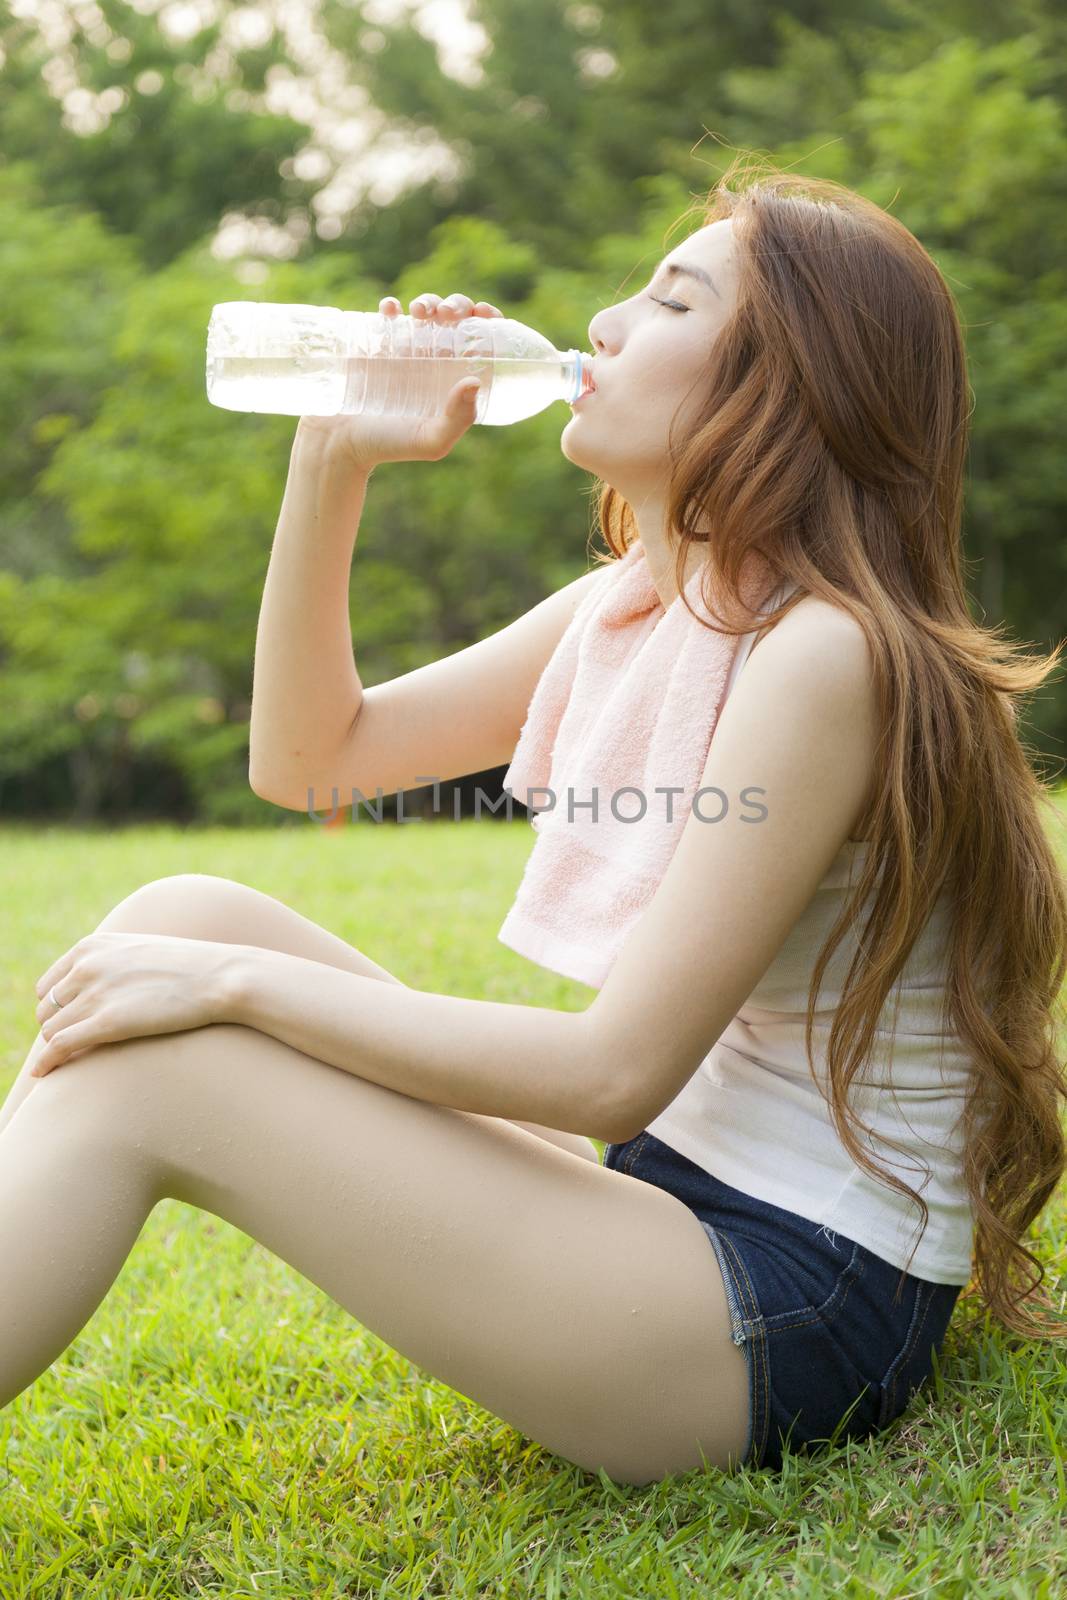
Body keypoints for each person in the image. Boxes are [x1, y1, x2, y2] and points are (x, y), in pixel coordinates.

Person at [1, 159, 1064, 1487]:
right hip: (665, 1198)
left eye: (671, 304)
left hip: (794, 1301)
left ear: (786, 384)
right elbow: (308, 758)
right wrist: (333, 455)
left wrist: (229, 989)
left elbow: (613, 1072)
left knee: (168, 1047)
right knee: (174, 913)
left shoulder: (827, 655)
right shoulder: (637, 602)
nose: (605, 324)